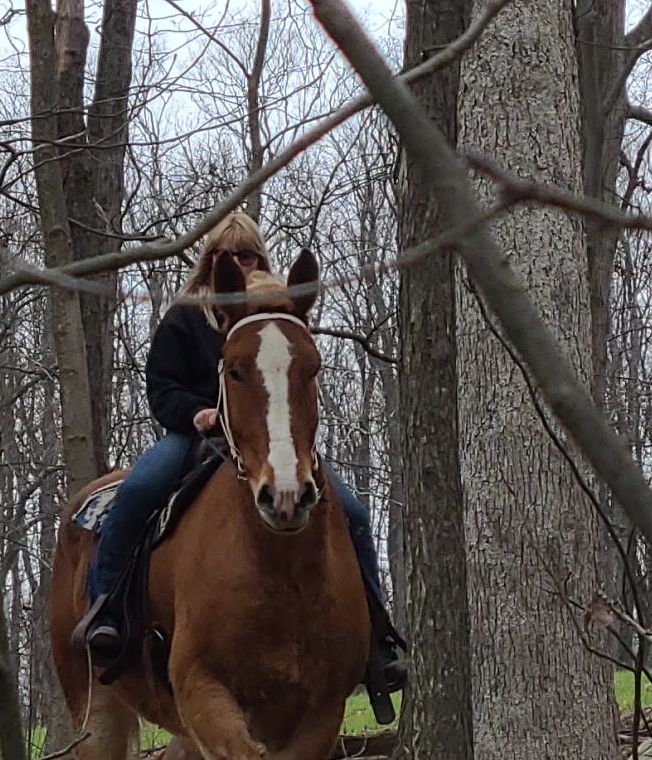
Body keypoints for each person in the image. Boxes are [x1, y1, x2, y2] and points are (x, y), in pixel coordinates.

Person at [74, 214, 408, 702]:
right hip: (197, 437)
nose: (235, 264)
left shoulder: (275, 320)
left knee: (353, 514)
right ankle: (106, 611)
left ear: (260, 260)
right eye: (222, 257)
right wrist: (196, 412)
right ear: (208, 262)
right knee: (138, 491)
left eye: (247, 255)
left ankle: (378, 636)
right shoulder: (186, 316)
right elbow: (161, 387)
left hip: (265, 444)